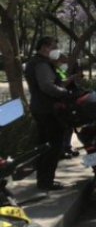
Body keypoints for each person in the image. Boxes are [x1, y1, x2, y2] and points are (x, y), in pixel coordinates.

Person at [23, 37, 73, 191]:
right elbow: (46, 86)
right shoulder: (41, 64)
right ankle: (46, 182)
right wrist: (65, 93)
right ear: (44, 47)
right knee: (53, 146)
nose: (56, 49)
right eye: (53, 46)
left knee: (45, 145)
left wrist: (67, 81)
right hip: (48, 109)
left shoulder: (37, 63)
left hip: (41, 108)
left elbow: (51, 82)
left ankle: (44, 180)